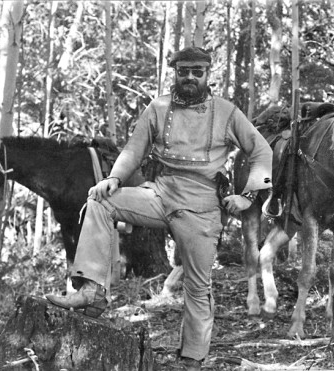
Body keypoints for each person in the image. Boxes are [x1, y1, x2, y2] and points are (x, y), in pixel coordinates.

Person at [46, 46, 273, 371]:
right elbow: (134, 149)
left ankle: (192, 360)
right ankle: (92, 291)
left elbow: (261, 150)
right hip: (161, 192)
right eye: (184, 71)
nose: (191, 78)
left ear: (208, 75)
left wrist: (248, 196)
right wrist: (113, 178)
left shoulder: (227, 112)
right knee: (100, 200)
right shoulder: (158, 108)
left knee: (197, 286)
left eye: (198, 71)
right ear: (175, 73)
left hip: (203, 205)